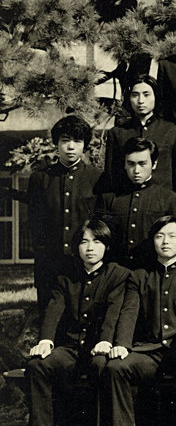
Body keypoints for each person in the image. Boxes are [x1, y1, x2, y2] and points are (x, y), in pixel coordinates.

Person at [14, 220, 129, 426]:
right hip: (71, 348)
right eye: (84, 242)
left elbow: (114, 312)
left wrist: (106, 341)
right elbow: (54, 308)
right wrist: (46, 340)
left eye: (97, 242)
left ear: (107, 246)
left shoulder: (117, 275)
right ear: (77, 246)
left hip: (99, 347)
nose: (90, 248)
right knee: (38, 365)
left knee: (101, 365)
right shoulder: (67, 275)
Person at [102, 216, 176, 426]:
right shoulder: (139, 276)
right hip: (148, 351)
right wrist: (122, 344)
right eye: (160, 236)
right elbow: (129, 312)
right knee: (117, 366)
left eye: (172, 236)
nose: (165, 242)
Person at [26, 115, 103, 308]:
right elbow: (35, 223)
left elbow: (101, 223)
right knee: (49, 318)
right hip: (49, 264)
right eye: (65, 140)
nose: (71, 147)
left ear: (84, 145)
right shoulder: (40, 179)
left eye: (77, 141)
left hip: (85, 263)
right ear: (56, 143)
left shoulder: (97, 178)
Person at [94, 137, 176, 266]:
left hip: (151, 270)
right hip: (116, 270)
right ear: (124, 164)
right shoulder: (109, 198)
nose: (136, 170)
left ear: (154, 164)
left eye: (142, 163)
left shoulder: (168, 198)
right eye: (131, 164)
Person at [102, 74, 176, 192]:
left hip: (161, 198)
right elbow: (111, 174)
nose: (140, 101)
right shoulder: (118, 133)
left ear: (156, 96)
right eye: (135, 95)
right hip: (126, 197)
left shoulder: (170, 131)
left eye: (146, 94)